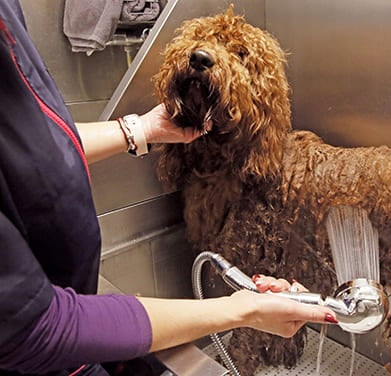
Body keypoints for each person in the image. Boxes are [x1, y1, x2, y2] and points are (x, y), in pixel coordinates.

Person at [0, 1, 337, 375]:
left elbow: (30, 143)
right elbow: (33, 329)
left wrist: (139, 130)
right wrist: (242, 311)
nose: (205, 55)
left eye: (237, 55)